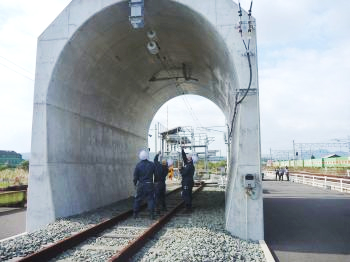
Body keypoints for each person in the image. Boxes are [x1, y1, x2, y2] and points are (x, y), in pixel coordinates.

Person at [133, 149, 156, 219]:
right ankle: (151, 215)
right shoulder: (152, 164)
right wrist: (154, 183)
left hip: (141, 185)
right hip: (149, 184)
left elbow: (135, 176)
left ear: (140, 157)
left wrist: (135, 183)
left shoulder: (138, 165)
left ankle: (135, 214)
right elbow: (156, 174)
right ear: (147, 156)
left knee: (138, 199)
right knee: (150, 199)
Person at [180, 147, 195, 212]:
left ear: (191, 159)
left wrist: (181, 169)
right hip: (188, 182)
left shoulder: (189, 166)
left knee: (186, 195)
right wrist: (182, 150)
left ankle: (188, 208)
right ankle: (188, 207)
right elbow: (184, 158)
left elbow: (184, 173)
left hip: (187, 182)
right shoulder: (189, 164)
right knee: (188, 194)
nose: (187, 157)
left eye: (189, 157)